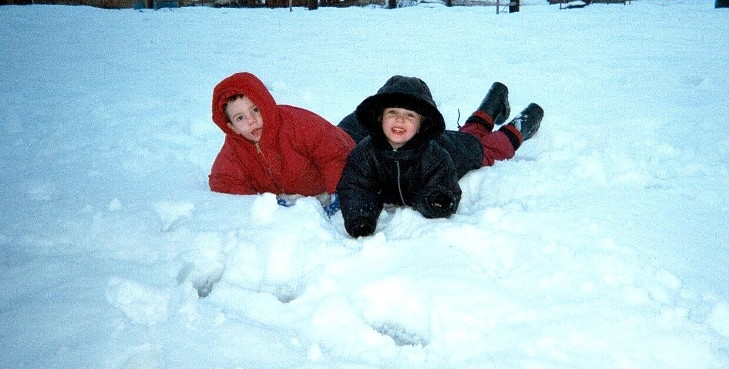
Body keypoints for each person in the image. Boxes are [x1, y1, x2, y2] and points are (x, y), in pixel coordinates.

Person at [336, 75, 543, 238]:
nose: (400, 120)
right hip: (446, 139)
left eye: (409, 116)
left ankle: (524, 122)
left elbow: (442, 184)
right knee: (469, 135)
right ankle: (493, 103)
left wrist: (437, 200)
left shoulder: (433, 155)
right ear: (380, 118)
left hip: (456, 150)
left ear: (421, 125)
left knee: (486, 148)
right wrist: (360, 215)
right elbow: (357, 185)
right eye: (393, 113)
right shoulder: (365, 151)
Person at [208, 72, 354, 214]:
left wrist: (339, 192)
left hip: (352, 150)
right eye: (240, 118)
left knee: (365, 125)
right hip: (300, 195)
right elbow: (223, 181)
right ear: (232, 127)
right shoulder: (235, 149)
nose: (251, 120)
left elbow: (333, 152)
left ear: (266, 106)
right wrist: (261, 202)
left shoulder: (297, 124)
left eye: (255, 110)